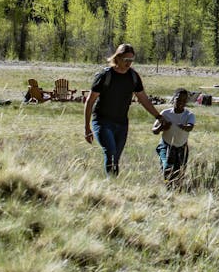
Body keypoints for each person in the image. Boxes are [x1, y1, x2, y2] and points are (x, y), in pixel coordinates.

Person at [83, 43, 164, 175]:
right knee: (111, 153)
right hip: (102, 122)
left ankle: (113, 186)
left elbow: (143, 99)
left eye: (131, 60)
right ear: (118, 57)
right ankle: (112, 183)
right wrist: (87, 127)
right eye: (126, 60)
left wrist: (158, 116)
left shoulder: (133, 77)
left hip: (121, 124)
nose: (129, 63)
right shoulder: (105, 76)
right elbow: (90, 101)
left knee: (116, 159)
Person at [152, 87, 195, 186]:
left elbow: (190, 127)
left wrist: (184, 127)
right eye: (178, 100)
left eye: (184, 101)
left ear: (186, 102)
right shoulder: (165, 113)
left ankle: (176, 190)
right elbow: (154, 130)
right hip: (166, 145)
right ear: (173, 99)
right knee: (167, 168)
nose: (180, 103)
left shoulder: (189, 115)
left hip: (181, 147)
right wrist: (162, 127)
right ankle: (167, 187)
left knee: (179, 173)